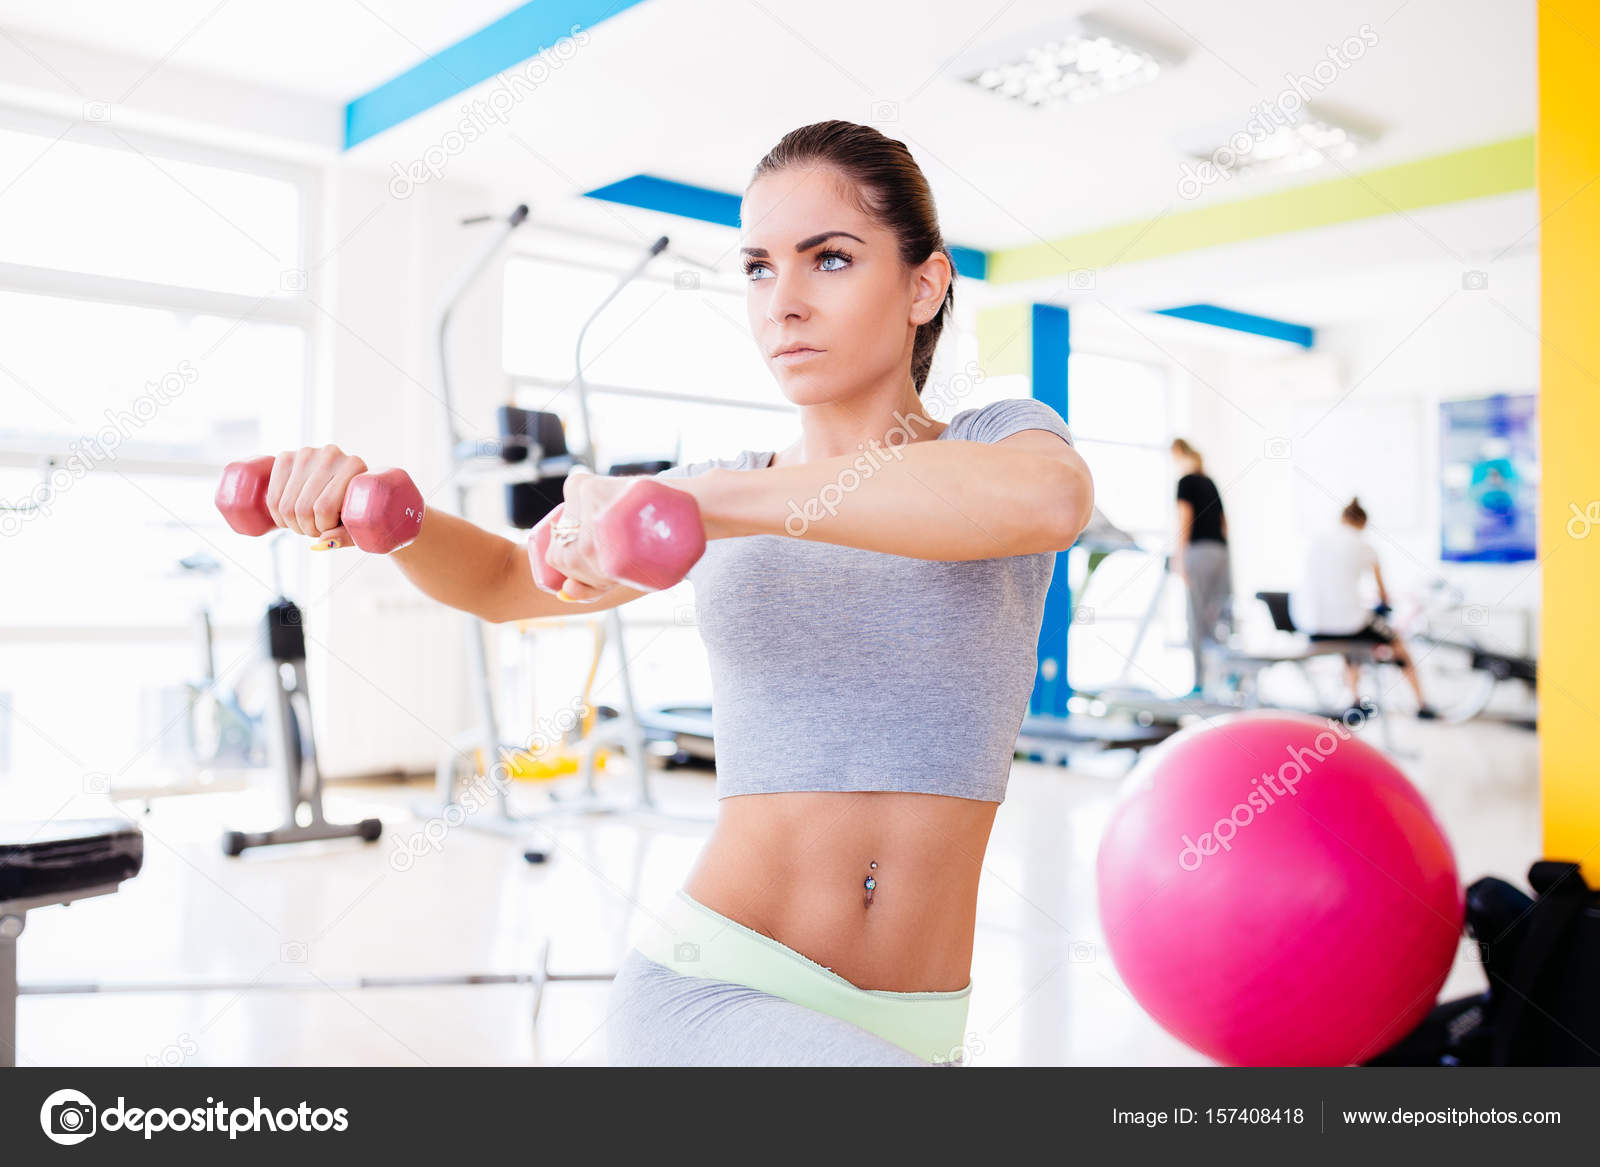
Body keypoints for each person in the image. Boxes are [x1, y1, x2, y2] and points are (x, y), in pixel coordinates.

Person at [258, 120, 1094, 1066]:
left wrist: (694, 500)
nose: (782, 304)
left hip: (921, 1020)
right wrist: (387, 517)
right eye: (755, 267)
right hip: (719, 987)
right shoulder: (705, 489)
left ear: (924, 284)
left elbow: (1050, 498)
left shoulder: (996, 439)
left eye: (828, 259)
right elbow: (502, 579)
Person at [1293, 498, 1437, 719]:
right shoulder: (1365, 547)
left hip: (1309, 624)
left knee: (1352, 644)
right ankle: (1422, 705)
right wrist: (1384, 605)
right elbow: (1383, 595)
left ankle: (1355, 701)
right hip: (1350, 625)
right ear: (1362, 524)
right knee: (1396, 641)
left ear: (1342, 519)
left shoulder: (1317, 541)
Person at [1171, 438, 1232, 695]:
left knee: (1195, 618)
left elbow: (1185, 519)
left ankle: (1199, 683)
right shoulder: (1210, 481)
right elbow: (1224, 524)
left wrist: (1179, 556)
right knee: (1215, 616)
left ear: (1178, 454)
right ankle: (1226, 678)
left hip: (1199, 552)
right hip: (1220, 552)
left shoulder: (1185, 482)